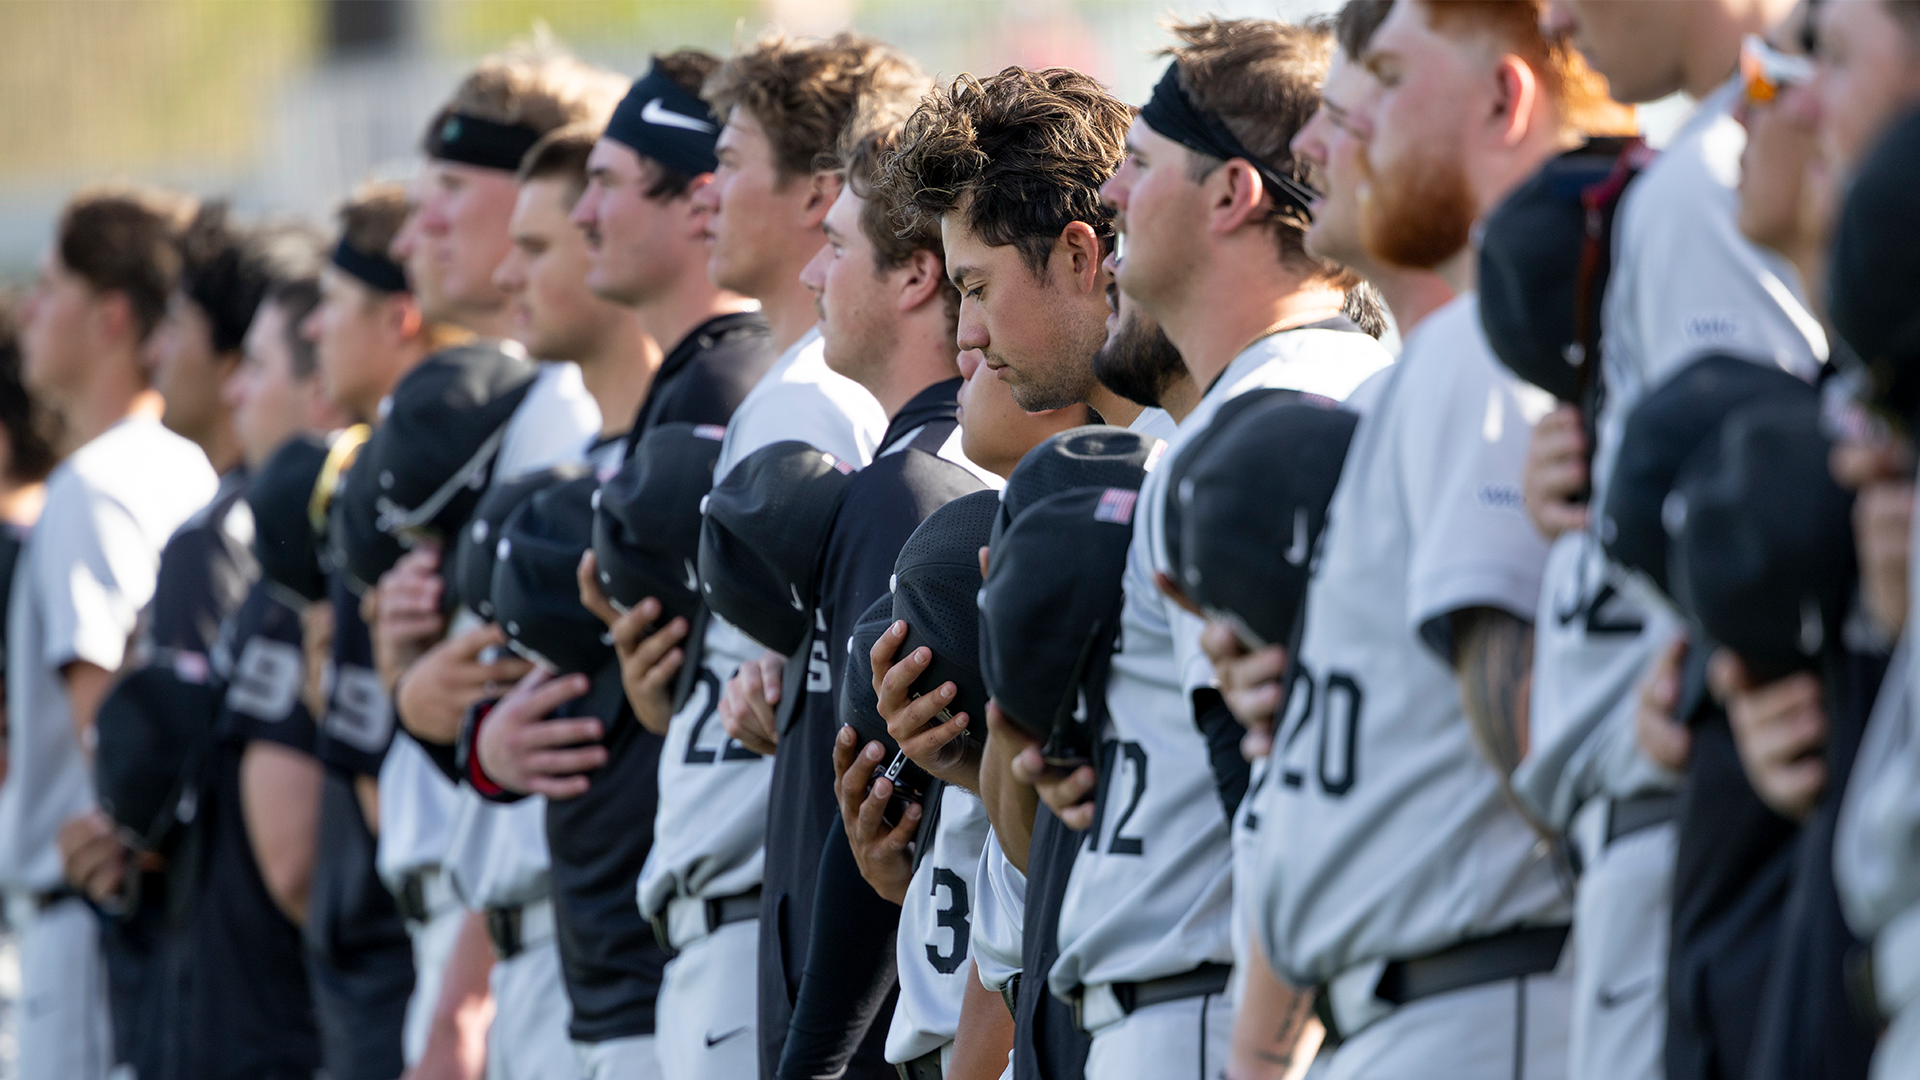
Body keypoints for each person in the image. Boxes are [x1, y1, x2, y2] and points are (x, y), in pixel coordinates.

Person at [1208, 3, 1618, 1076]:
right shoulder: (1436, 364)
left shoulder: (1480, 350)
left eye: (1384, 81)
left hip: (1480, 991)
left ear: (1501, 98)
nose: (1314, 142)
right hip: (1415, 998)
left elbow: (1523, 710)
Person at [995, 19, 1390, 1079]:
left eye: (1137, 167)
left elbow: (1276, 795)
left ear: (1231, 196)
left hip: (1227, 1017)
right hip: (1187, 1003)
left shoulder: (1277, 421)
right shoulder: (1236, 421)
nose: (1111, 199)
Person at [1529, 1, 1830, 1076]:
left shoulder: (1714, 169)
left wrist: (1724, 667)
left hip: (1711, 803)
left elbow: (1774, 506)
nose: (1555, 19)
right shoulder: (1713, 156)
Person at [365, 49, 620, 1080]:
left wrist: (460, 991)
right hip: (504, 934)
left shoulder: (566, 395)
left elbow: (522, 707)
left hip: (542, 935)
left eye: (449, 195)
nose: (413, 231)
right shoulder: (526, 395)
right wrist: (404, 678)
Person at [0, 186, 216, 1080]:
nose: (28, 312)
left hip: (91, 912)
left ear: (111, 317)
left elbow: (113, 724)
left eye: (50, 288)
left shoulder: (94, 484)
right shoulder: (185, 460)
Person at [298, 182, 445, 1080]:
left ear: (400, 318)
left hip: (412, 947)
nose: (314, 329)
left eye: (333, 305)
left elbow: (387, 811)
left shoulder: (387, 486)